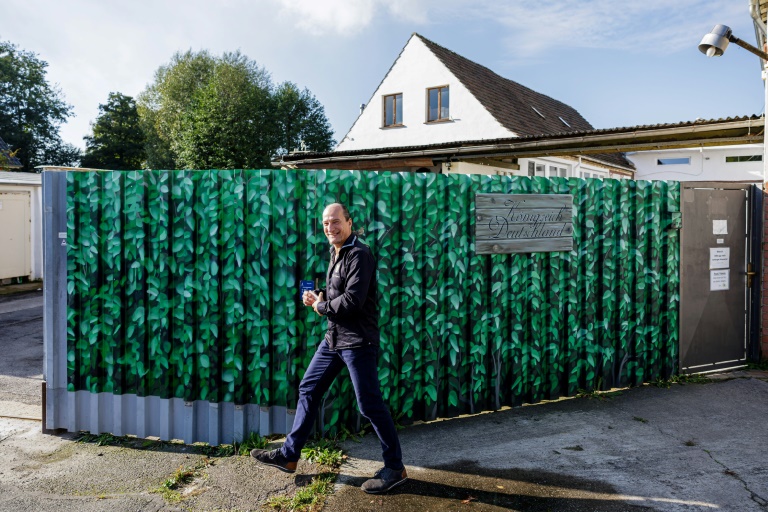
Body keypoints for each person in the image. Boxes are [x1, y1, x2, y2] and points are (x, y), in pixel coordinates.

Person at [251, 203, 407, 494]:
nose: (330, 228)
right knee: (308, 389)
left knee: (369, 405)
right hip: (334, 339)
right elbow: (339, 292)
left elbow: (353, 301)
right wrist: (319, 296)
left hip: (358, 341)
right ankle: (289, 456)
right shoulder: (337, 252)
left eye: (335, 221)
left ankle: (395, 468)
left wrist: (321, 307)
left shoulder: (360, 254)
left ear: (349, 222)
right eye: (325, 223)